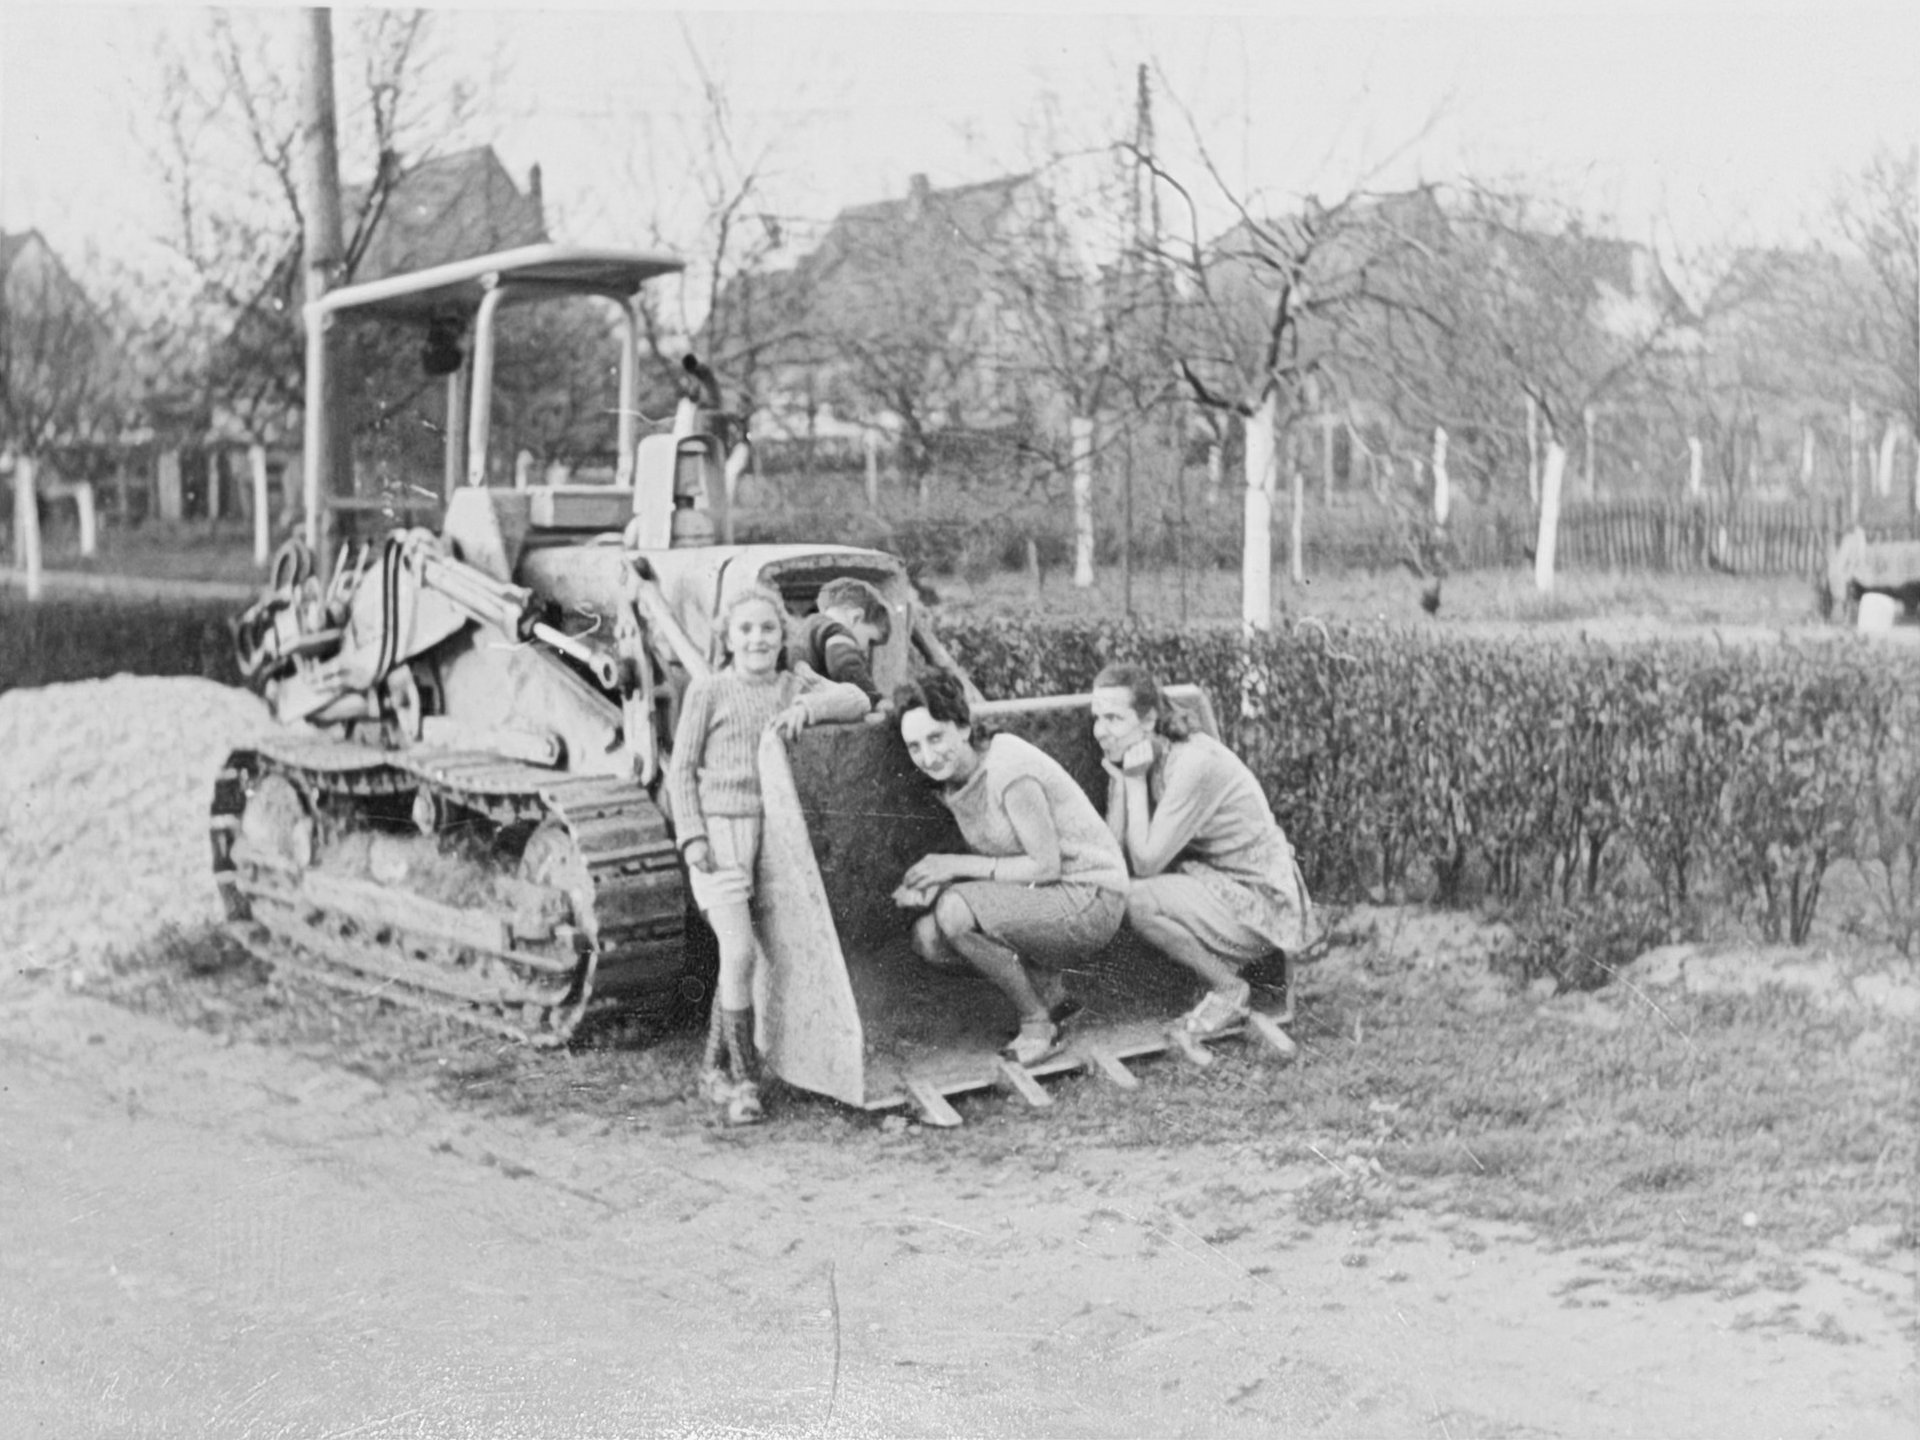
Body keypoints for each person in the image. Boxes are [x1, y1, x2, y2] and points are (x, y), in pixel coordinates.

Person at [667, 583, 873, 1124]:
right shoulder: (708, 691)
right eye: (745, 629)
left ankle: (714, 1070)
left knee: (757, 952)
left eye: (767, 628)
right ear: (728, 638)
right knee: (738, 955)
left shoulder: (792, 682)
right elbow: (681, 771)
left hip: (778, 834)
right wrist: (692, 837)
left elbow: (858, 699)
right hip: (722, 834)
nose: (757, 639)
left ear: (783, 635)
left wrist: (810, 704)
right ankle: (744, 1082)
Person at [892, 671, 1129, 1065]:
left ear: (964, 726)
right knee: (929, 938)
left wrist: (952, 868)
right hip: (1051, 898)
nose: (928, 756)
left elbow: (1046, 865)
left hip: (1093, 897)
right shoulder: (953, 780)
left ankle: (1039, 1024)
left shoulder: (1007, 769)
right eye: (914, 746)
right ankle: (1053, 998)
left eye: (936, 737)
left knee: (955, 910)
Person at [1091, 662, 1314, 1039]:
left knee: (1138, 899)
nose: (1100, 731)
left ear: (1148, 721)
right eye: (1096, 718)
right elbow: (1115, 860)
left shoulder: (1193, 762)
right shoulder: (1144, 755)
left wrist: (1130, 783)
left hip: (1263, 905)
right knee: (1124, 893)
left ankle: (1229, 988)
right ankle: (1216, 981)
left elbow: (1144, 864)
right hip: (1218, 887)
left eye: (1113, 718)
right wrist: (1120, 782)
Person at [792, 577, 892, 706]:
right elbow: (846, 665)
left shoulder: (806, 629)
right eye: (870, 641)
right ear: (855, 618)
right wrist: (875, 700)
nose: (866, 650)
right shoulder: (835, 631)